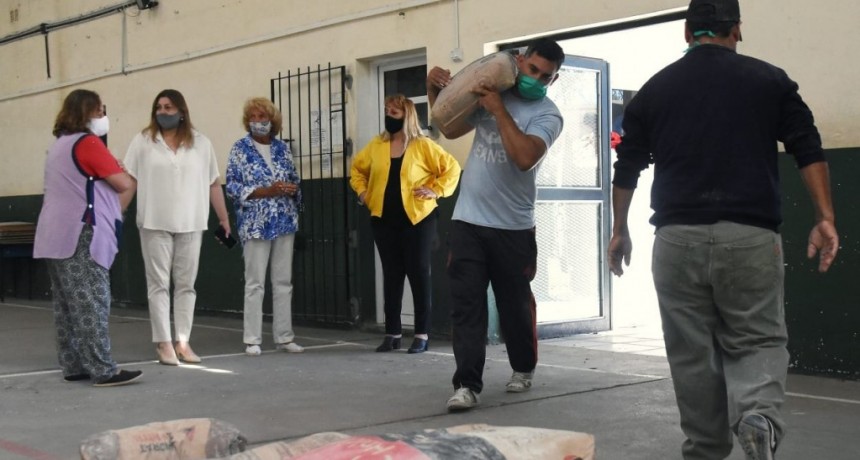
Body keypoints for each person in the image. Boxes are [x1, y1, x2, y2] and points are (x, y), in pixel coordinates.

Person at [608, 1, 839, 459]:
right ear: (737, 30)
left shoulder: (655, 89)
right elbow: (807, 147)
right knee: (758, 340)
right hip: (749, 237)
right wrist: (824, 217)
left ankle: (705, 447)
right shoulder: (770, 80)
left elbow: (628, 165)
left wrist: (620, 229)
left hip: (676, 240)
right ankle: (758, 417)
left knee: (691, 354)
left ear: (687, 31)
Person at [426, 38, 565, 411]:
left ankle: (523, 367)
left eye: (546, 76)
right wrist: (434, 89)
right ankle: (467, 385)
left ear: (553, 80)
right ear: (519, 61)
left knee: (514, 305)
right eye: (533, 69)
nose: (537, 79)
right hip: (468, 220)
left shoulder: (548, 115)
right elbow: (450, 129)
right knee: (466, 304)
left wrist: (499, 110)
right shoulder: (494, 88)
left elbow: (524, 158)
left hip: (514, 227)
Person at [33, 89, 143, 387]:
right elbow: (122, 183)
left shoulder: (58, 145)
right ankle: (103, 369)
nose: (103, 116)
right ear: (87, 112)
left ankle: (73, 364)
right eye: (99, 110)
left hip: (52, 234)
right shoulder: (87, 143)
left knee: (67, 305)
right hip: (80, 233)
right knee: (92, 302)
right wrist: (120, 169)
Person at [124, 89, 232, 366]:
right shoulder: (143, 141)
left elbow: (213, 183)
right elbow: (130, 180)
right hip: (153, 221)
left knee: (186, 285)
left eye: (169, 107)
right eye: (159, 107)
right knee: (158, 285)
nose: (163, 112)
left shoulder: (201, 143)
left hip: (192, 222)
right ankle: (163, 343)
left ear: (181, 111)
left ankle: (182, 341)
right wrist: (117, 211)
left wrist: (223, 218)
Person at [350, 94, 461, 354]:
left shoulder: (423, 145)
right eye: (387, 111)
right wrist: (363, 193)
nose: (389, 116)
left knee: (419, 273)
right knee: (392, 275)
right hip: (383, 219)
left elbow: (452, 168)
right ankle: (393, 333)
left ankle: (422, 334)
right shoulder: (377, 145)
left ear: (407, 116)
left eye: (394, 113)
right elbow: (357, 170)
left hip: (418, 220)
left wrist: (436, 190)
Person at [225, 97, 305, 356]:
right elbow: (233, 186)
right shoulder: (240, 149)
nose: (258, 122)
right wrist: (265, 191)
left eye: (262, 117)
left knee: (283, 281)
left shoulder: (282, 148)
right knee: (255, 282)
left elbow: (295, 178)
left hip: (284, 219)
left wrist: (292, 189)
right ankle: (252, 338)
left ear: (272, 120)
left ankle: (284, 337)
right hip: (255, 223)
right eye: (253, 117)